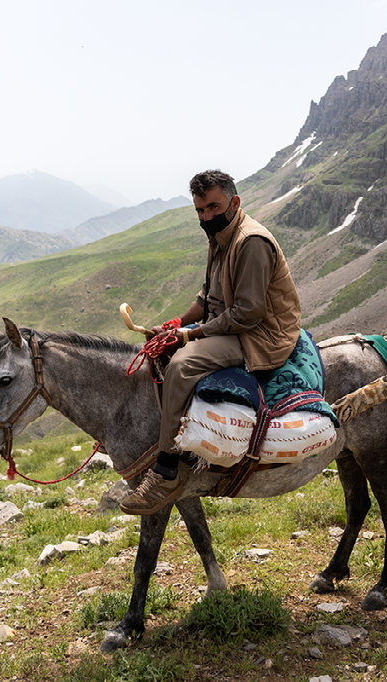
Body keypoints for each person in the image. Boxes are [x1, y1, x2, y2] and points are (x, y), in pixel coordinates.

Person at [120, 170, 302, 515]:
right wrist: (173, 325)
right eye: (200, 210)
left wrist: (188, 336)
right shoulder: (220, 236)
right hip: (234, 326)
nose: (205, 217)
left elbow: (248, 313)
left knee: (182, 364)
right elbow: (208, 298)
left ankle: (167, 470)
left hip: (261, 334)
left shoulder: (251, 243)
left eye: (212, 207)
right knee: (167, 349)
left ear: (234, 203)